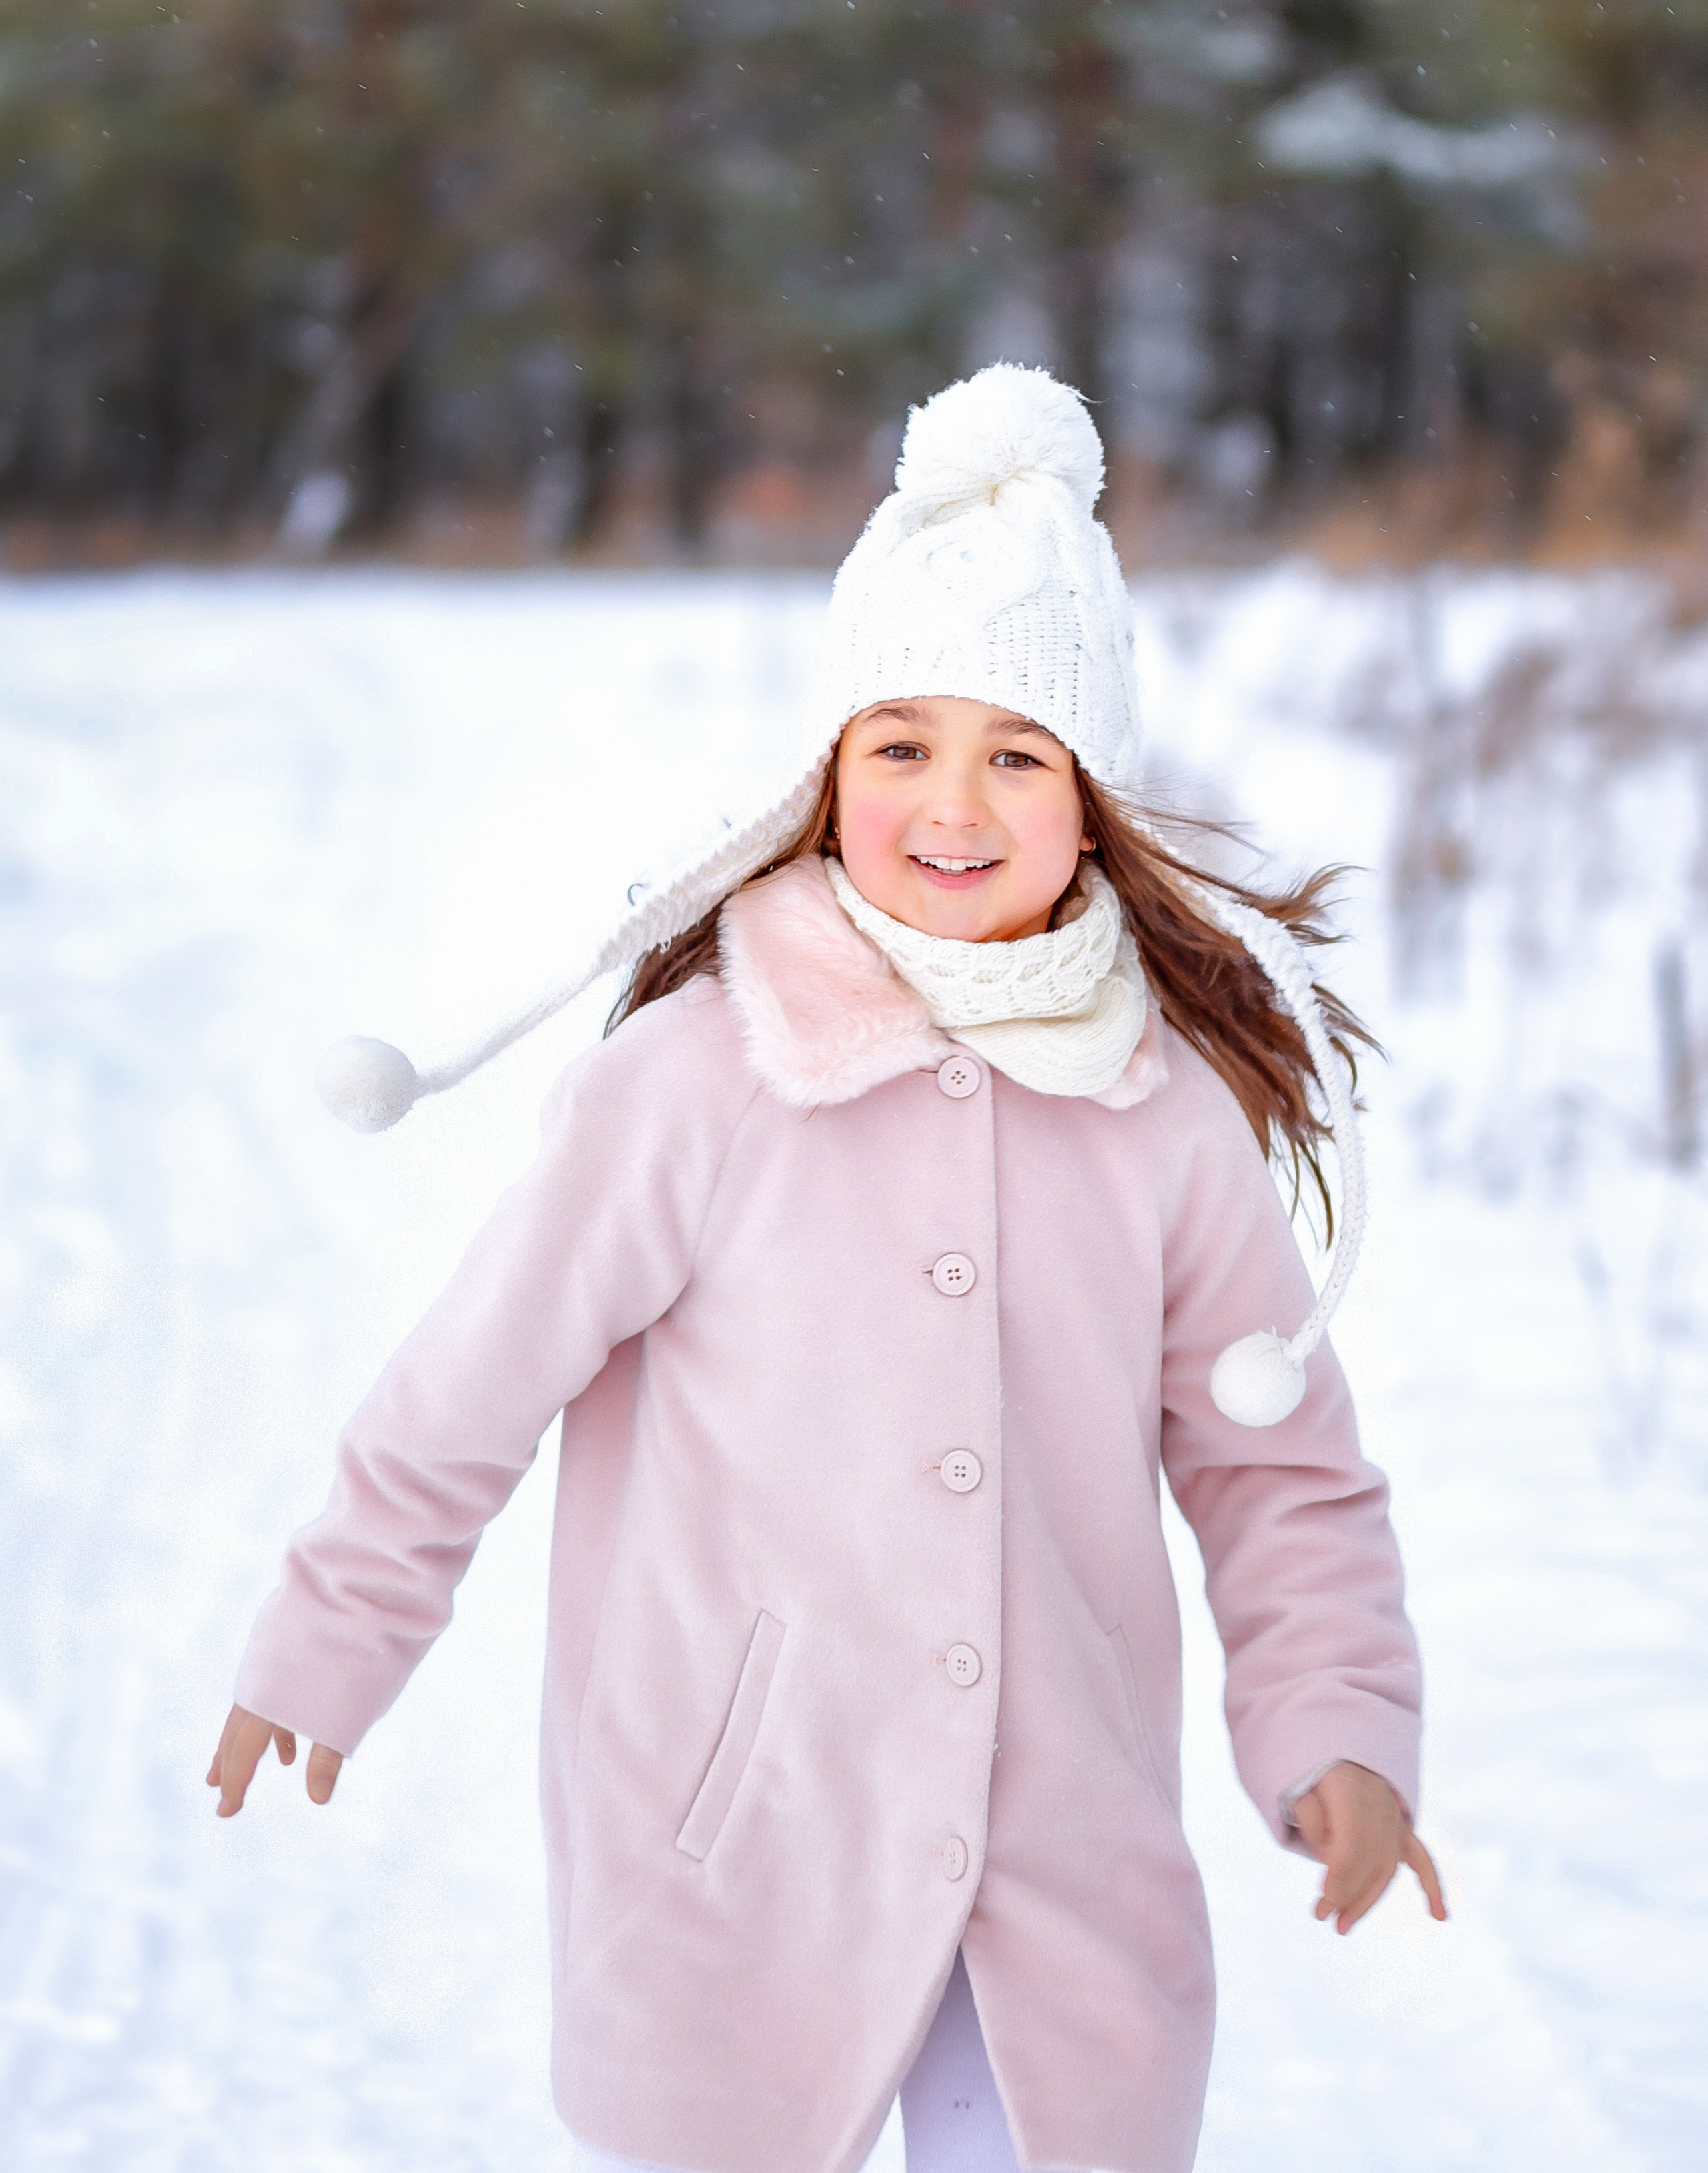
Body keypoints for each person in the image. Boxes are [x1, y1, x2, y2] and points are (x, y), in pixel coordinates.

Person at [208, 364, 1445, 2173]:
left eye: (1018, 752)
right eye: (903, 745)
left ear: (1091, 799)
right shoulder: (701, 1079)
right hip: (742, 1847)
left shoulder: (1160, 1116)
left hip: (1055, 1870)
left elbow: (1283, 1474)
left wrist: (1338, 1713)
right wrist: (334, 1628)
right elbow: (464, 1389)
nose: (956, 800)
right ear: (827, 769)